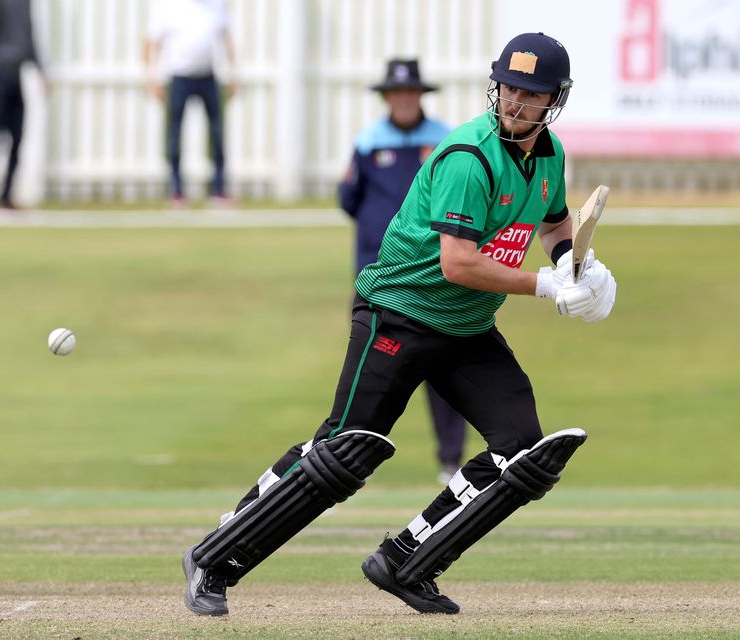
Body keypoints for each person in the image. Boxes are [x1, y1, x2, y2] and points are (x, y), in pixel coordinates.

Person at [182, 32, 617, 617]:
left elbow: (555, 223)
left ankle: (407, 561)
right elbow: (458, 262)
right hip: (400, 313)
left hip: (466, 328)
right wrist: (547, 285)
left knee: (522, 453)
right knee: (344, 452)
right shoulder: (468, 157)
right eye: (510, 88)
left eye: (531, 94)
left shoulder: (550, 155)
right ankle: (215, 558)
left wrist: (575, 265)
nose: (516, 102)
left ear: (553, 101)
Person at [338, 58, 466, 484]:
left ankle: (451, 461)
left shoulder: (446, 141)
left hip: (435, 276)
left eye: (410, 92)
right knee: (374, 371)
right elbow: (349, 200)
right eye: (397, 93)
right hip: (381, 277)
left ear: (419, 95)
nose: (404, 100)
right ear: (388, 97)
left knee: (444, 370)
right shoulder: (369, 142)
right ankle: (346, 460)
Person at [144, 0, 236, 206]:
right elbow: (151, 42)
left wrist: (233, 73)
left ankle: (218, 189)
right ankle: (176, 190)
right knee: (174, 134)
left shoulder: (215, 4)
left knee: (217, 133)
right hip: (178, 76)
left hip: (208, 75)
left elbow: (226, 37)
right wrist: (152, 77)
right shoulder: (166, 6)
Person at [0, 0, 48, 210]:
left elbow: (30, 37)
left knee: (17, 137)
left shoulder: (26, 3)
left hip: (16, 75)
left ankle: (6, 196)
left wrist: (42, 70)